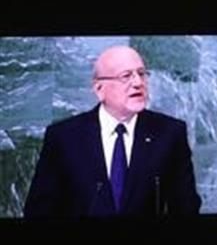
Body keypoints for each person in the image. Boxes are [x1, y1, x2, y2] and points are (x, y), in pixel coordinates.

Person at [24, 45, 201, 217]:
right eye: (126, 76)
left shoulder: (170, 133)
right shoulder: (63, 137)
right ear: (99, 89)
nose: (138, 83)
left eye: (141, 74)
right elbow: (39, 211)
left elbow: (186, 208)